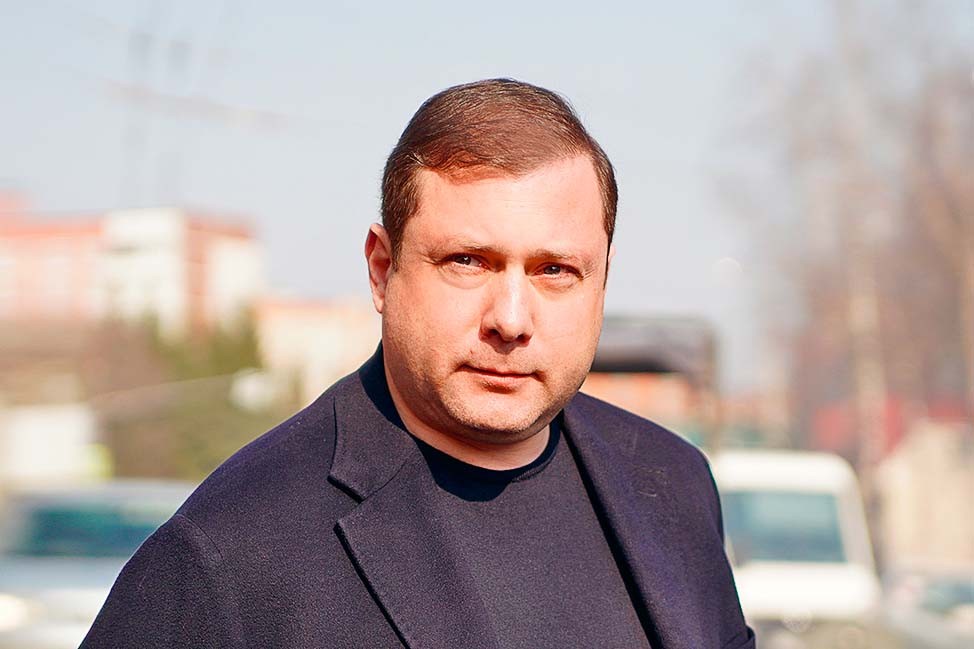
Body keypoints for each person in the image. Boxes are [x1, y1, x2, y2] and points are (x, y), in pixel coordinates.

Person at [82, 78, 754, 649]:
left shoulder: (673, 484)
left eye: (555, 270)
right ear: (382, 269)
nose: (511, 319)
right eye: (468, 261)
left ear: (602, 280)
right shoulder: (230, 551)